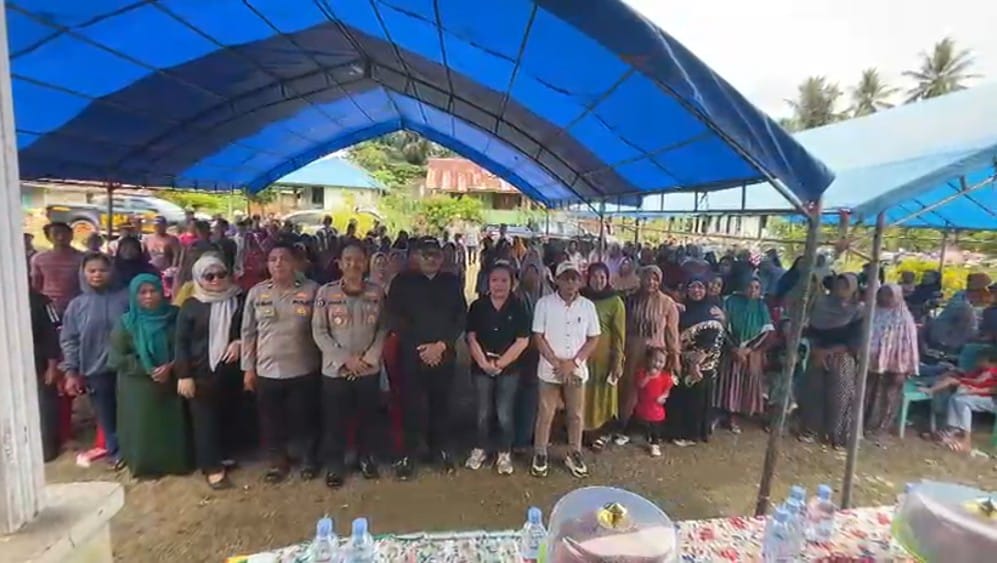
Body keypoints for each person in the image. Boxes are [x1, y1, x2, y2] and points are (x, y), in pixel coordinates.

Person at [386, 236, 467, 480]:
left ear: (442, 257)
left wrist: (441, 345)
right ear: (416, 256)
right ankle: (408, 454)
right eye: (425, 254)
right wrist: (420, 347)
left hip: (444, 354)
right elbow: (394, 318)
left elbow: (460, 317)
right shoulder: (401, 282)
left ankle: (439, 450)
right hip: (412, 355)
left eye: (435, 254)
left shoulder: (452, 282)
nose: (431, 259)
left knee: (441, 405)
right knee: (410, 405)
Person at [241, 244, 322, 483]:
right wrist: (248, 368)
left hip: (303, 366)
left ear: (295, 263)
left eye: (284, 258)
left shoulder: (312, 290)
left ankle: (309, 459)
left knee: (305, 418)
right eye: (273, 259)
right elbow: (248, 333)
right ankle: (278, 462)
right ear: (267, 264)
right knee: (271, 421)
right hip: (267, 368)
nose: (278, 263)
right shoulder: (256, 293)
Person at [313, 241, 388, 487]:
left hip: (368, 368)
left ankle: (366, 458)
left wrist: (369, 359)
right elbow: (319, 331)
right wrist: (346, 359)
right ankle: (335, 465)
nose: (353, 264)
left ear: (366, 263)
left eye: (358, 260)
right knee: (335, 421)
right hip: (336, 370)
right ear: (339, 264)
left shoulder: (377, 293)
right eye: (348, 260)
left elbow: (383, 328)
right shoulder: (325, 293)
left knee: (368, 418)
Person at [109, 274, 192, 477]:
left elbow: (187, 345)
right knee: (143, 428)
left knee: (171, 426)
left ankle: (175, 463)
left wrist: (171, 366)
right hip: (138, 386)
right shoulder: (127, 323)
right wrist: (148, 369)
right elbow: (116, 358)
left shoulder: (175, 316)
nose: (148, 296)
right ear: (133, 296)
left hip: (172, 380)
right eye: (142, 292)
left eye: (153, 291)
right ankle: (145, 466)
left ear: (161, 292)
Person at [174, 254, 246, 489]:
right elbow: (181, 343)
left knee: (226, 414)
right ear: (198, 278)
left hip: (230, 369)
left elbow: (249, 328)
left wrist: (239, 342)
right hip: (200, 371)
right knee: (204, 420)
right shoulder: (191, 305)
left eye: (221, 274)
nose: (216, 280)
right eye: (209, 276)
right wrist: (184, 375)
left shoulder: (239, 298)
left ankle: (222, 456)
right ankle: (211, 467)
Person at [530, 261, 601, 479]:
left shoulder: (588, 306)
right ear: (557, 280)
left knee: (576, 414)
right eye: (566, 278)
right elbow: (538, 336)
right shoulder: (544, 304)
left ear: (580, 281)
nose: (570, 283)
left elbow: (593, 338)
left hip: (576, 370)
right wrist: (556, 363)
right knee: (546, 412)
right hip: (549, 369)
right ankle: (540, 452)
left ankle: (574, 452)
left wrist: (573, 363)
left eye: (574, 279)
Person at [60, 253, 130, 468]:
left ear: (112, 272)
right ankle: (116, 453)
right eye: (92, 271)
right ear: (83, 273)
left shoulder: (127, 299)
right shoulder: (77, 305)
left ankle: (135, 451)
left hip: (127, 367)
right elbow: (69, 339)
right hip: (95, 369)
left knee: (130, 410)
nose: (97, 274)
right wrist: (71, 372)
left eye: (102, 270)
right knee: (106, 414)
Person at [465, 262, 531, 475]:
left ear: (512, 283)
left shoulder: (518, 307)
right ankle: (480, 448)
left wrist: (501, 363)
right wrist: (483, 363)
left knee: (504, 413)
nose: (499, 285)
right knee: (483, 412)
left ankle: (504, 452)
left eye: (504, 280)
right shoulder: (478, 306)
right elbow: (471, 337)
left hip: (509, 368)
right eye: (495, 280)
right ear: (488, 282)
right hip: (481, 366)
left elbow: (522, 340)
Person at [619, 265, 681, 445]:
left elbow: (672, 333)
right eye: (647, 278)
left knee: (653, 390)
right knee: (631, 389)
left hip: (656, 355)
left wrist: (675, 356)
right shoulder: (630, 300)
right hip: (633, 352)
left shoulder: (667, 303)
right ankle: (625, 426)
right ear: (641, 279)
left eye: (655, 279)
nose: (651, 282)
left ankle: (649, 430)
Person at [800, 274, 863, 448]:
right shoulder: (821, 305)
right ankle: (811, 429)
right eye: (838, 285)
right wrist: (817, 351)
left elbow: (855, 341)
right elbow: (810, 332)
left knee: (839, 396)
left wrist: (828, 352)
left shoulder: (858, 311)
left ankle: (835, 434)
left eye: (845, 286)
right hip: (817, 354)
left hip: (842, 357)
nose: (840, 289)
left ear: (853, 289)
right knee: (814, 392)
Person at [666, 276, 725, 447]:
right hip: (682, 362)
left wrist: (696, 363)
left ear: (706, 290)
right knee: (680, 397)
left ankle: (693, 434)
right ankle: (676, 431)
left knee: (697, 399)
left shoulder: (712, 311)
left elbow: (711, 338)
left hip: (702, 365)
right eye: (693, 287)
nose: (696, 291)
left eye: (700, 287)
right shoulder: (682, 310)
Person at [713, 277, 774, 433]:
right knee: (729, 381)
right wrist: (734, 348)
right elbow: (723, 326)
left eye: (756, 287)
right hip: (731, 349)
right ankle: (724, 413)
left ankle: (737, 415)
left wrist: (748, 349)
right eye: (749, 286)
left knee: (745, 382)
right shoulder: (731, 302)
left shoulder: (761, 307)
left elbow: (766, 331)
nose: (752, 290)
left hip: (750, 353)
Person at [579, 262, 626, 451]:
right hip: (582, 355)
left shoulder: (615, 302)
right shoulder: (580, 298)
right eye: (594, 276)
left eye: (602, 277)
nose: (598, 281)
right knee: (582, 394)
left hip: (604, 357)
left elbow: (619, 334)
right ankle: (580, 431)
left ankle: (598, 434)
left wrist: (618, 360)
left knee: (600, 396)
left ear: (607, 279)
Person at [863, 283, 920, 438]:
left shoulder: (904, 319)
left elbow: (909, 346)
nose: (884, 298)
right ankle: (863, 425)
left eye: (889, 295)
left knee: (887, 397)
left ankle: (879, 429)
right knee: (868, 394)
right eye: (882, 293)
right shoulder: (873, 313)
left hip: (895, 366)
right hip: (871, 363)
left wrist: (903, 369)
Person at [920, 350, 997, 453]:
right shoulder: (982, 370)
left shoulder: (992, 371)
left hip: (993, 400)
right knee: (955, 398)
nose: (978, 361)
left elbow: (991, 388)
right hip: (987, 394)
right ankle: (952, 431)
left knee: (962, 401)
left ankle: (966, 441)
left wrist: (973, 389)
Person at [30, 286, 61, 462]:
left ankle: (48, 450)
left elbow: (53, 333)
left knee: (44, 408)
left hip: (40, 364)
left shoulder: (42, 302)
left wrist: (52, 366)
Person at [30, 222, 84, 315]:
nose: (60, 237)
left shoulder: (84, 258)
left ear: (71, 235)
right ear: (48, 237)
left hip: (77, 306)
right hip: (49, 307)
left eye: (64, 233)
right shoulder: (38, 259)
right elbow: (36, 285)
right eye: (56, 234)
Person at [633, 348, 676, 458]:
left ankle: (655, 444)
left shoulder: (665, 376)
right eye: (655, 360)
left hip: (656, 408)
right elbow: (640, 385)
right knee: (635, 420)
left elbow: (667, 390)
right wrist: (648, 376)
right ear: (649, 359)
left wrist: (663, 397)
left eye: (661, 362)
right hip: (642, 405)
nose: (657, 364)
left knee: (655, 426)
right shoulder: (642, 372)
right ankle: (628, 433)